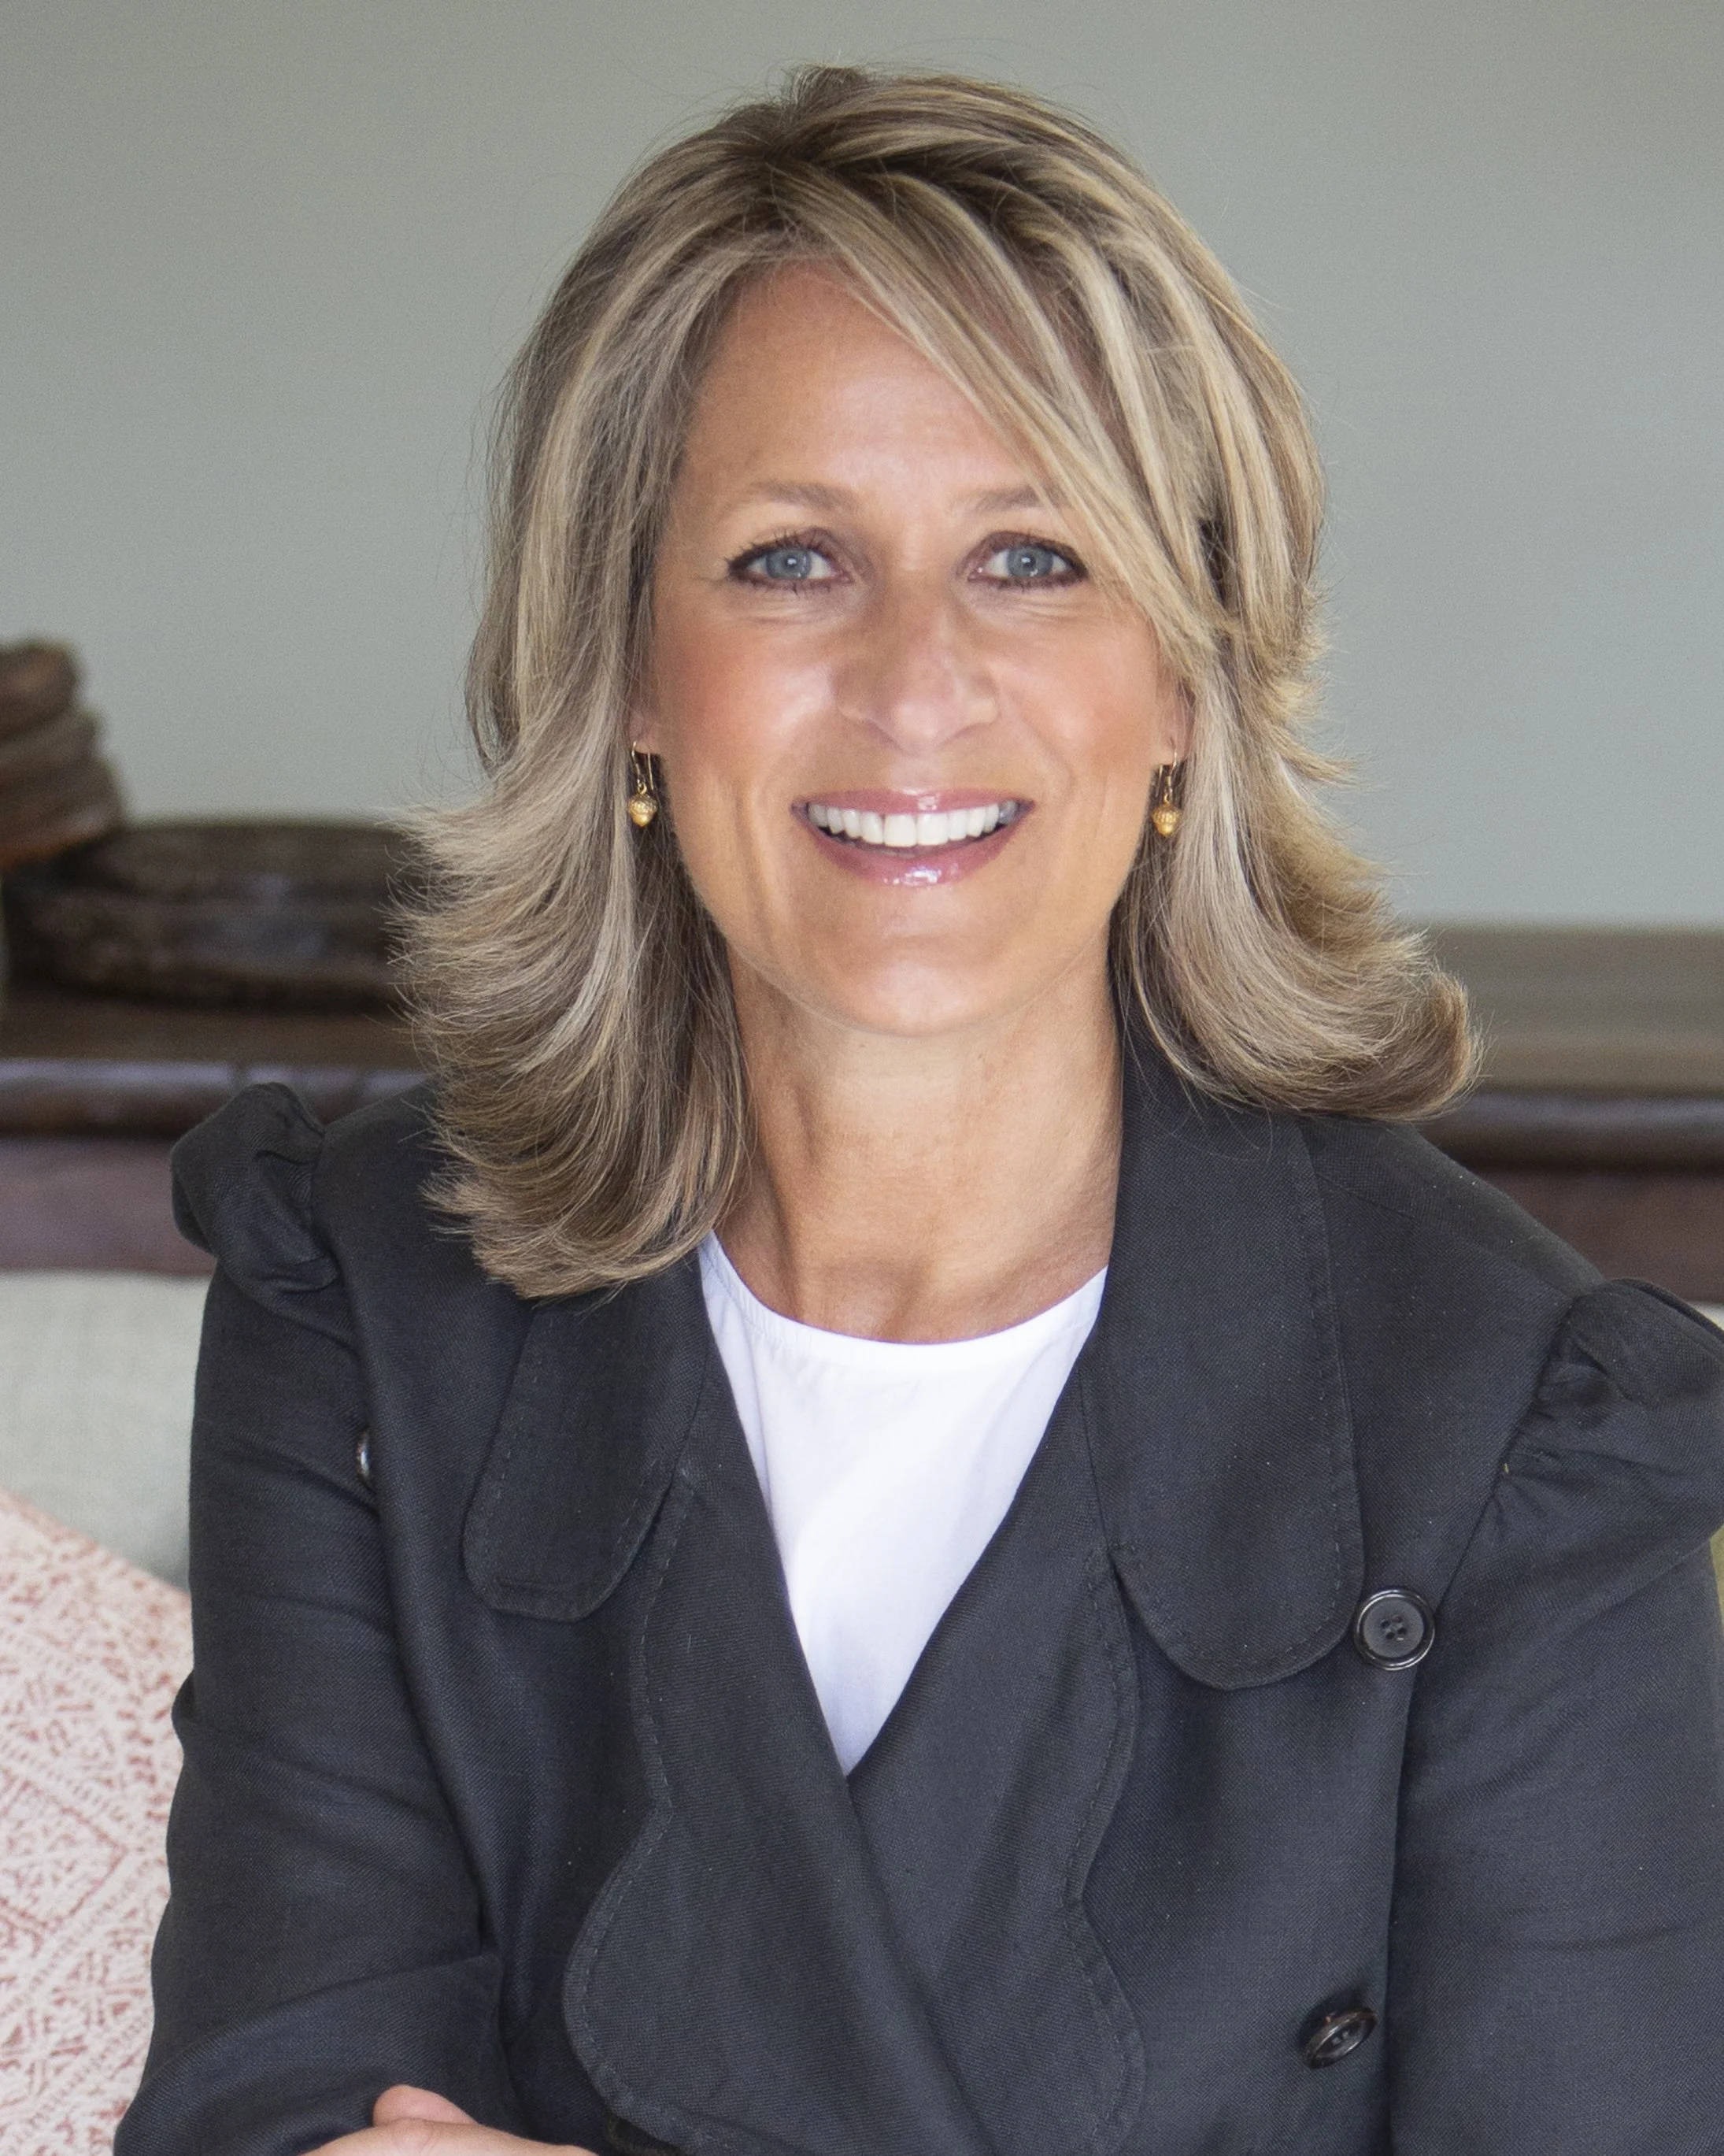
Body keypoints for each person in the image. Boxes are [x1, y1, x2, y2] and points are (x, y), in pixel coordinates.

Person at [117, 66, 1724, 2156]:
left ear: (1190, 679)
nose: (911, 683)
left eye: (1033, 558)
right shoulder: (361, 1293)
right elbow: (272, 2109)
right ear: (618, 664)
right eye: (789, 561)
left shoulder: (1520, 1427)